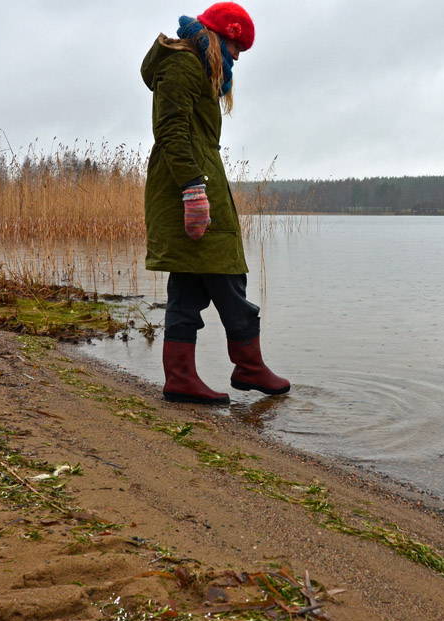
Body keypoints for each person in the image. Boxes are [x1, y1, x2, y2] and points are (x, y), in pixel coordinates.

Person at [140, 3, 290, 405]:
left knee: (189, 284)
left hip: (197, 179)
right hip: (186, 185)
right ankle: (247, 366)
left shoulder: (197, 68)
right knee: (227, 274)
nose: (237, 56)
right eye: (235, 45)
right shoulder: (183, 65)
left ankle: (181, 379)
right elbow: (170, 130)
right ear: (217, 37)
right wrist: (192, 189)